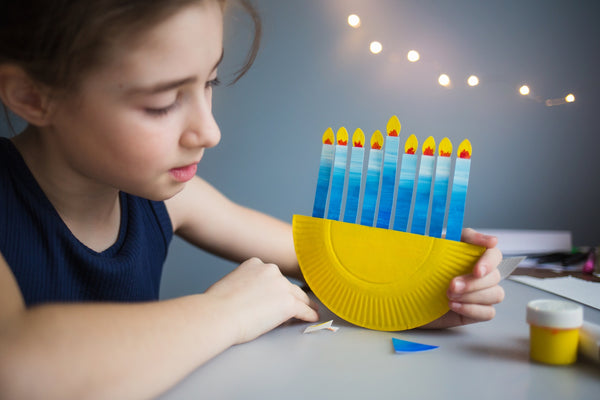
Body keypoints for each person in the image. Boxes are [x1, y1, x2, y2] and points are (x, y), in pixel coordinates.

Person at [0, 0, 504, 399]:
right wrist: (224, 313)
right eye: (161, 103)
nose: (209, 131)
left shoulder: (175, 200)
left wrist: (423, 292)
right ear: (32, 97)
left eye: (210, 83)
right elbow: (16, 367)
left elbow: (332, 267)